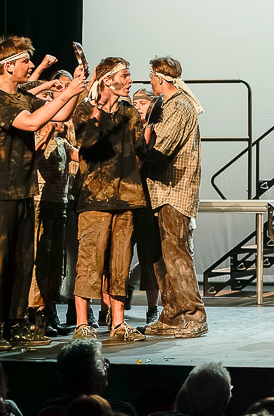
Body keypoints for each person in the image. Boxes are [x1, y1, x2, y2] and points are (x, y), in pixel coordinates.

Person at [0, 37, 90, 352]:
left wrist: (75, 88)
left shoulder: (21, 96)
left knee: (23, 260)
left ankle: (15, 322)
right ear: (7, 65)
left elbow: (60, 116)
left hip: (22, 187)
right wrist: (69, 91)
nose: (28, 67)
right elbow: (33, 122)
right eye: (24, 62)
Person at [71, 57, 148, 342]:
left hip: (126, 196)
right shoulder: (84, 110)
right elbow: (87, 142)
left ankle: (118, 323)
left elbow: (141, 147)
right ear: (108, 80)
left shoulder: (129, 113)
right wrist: (99, 111)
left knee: (121, 262)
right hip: (95, 196)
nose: (129, 80)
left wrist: (147, 122)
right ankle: (82, 322)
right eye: (125, 76)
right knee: (90, 260)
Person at [141, 56, 207, 339]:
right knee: (162, 257)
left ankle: (193, 315)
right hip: (161, 190)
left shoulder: (178, 107)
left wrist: (134, 156)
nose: (150, 82)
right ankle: (172, 314)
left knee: (176, 254)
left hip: (175, 190)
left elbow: (160, 149)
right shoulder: (166, 105)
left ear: (159, 79)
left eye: (151, 77)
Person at [27, 96, 77, 337]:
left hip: (60, 202)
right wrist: (46, 129)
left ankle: (49, 309)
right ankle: (35, 312)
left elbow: (79, 157)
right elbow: (32, 156)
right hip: (40, 202)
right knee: (40, 258)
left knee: (56, 262)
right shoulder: (37, 135)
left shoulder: (63, 141)